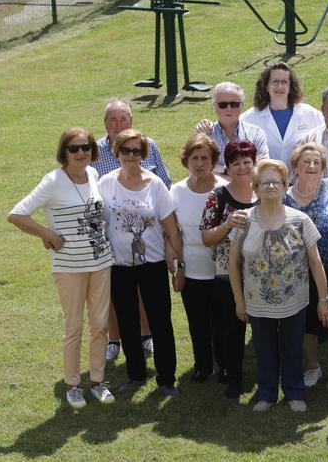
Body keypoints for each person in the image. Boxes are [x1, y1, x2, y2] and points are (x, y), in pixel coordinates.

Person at [8, 127, 116, 408]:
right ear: (64, 153)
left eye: (86, 147)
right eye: (74, 148)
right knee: (74, 327)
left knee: (100, 325)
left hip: (101, 263)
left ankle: (97, 381)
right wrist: (49, 235)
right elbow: (17, 215)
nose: (81, 152)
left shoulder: (93, 175)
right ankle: (72, 385)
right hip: (69, 267)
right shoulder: (53, 181)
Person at [229, 160, 328, 412]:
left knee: (292, 347)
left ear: (286, 185)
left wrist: (324, 299)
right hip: (257, 301)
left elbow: (315, 263)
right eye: (265, 182)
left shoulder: (301, 220)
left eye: (277, 181)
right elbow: (232, 264)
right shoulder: (244, 221)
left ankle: (294, 392)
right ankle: (266, 394)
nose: (271, 186)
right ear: (255, 188)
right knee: (264, 349)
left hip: (294, 300)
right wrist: (239, 301)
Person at [98, 129, 182, 397]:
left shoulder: (155, 184)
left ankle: (167, 378)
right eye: (126, 150)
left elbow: (171, 228)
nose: (131, 156)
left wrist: (179, 266)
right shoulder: (106, 183)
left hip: (153, 265)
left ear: (144, 154)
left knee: (160, 321)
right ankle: (135, 375)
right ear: (117, 153)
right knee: (127, 320)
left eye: (137, 151)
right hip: (119, 265)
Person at [94, 99, 170, 361]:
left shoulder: (149, 147)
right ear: (105, 124)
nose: (118, 124)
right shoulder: (95, 152)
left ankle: (146, 334)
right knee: (117, 297)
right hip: (113, 241)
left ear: (132, 120)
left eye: (123, 119)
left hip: (149, 237)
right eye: (113, 120)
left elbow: (166, 185)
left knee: (147, 295)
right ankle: (115, 340)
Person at [283, 143, 328, 390]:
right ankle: (312, 367)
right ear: (295, 166)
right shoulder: (284, 196)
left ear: (323, 167)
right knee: (306, 320)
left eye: (317, 162)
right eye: (306, 161)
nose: (312, 166)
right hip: (299, 270)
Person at [200, 140, 259, 398]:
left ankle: (268, 376)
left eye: (247, 162)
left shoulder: (267, 192)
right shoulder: (218, 196)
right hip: (227, 275)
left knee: (266, 331)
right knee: (231, 331)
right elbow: (205, 237)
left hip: (262, 275)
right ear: (228, 167)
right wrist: (226, 226)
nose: (242, 167)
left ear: (255, 164)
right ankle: (232, 376)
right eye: (236, 163)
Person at [169, 134, 228, 382]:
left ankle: (225, 365)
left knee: (223, 322)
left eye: (205, 158)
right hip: (191, 268)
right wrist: (177, 268)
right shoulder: (177, 191)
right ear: (186, 161)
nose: (200, 163)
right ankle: (202, 365)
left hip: (222, 269)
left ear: (214, 160)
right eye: (194, 158)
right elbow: (171, 235)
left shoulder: (225, 189)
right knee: (197, 322)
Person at [240, 62, 325, 167]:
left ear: (290, 87)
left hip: (301, 180)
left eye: (284, 82)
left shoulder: (311, 115)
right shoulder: (248, 118)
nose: (280, 86)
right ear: (266, 86)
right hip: (265, 180)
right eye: (275, 81)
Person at [195, 82, 269, 172]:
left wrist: (218, 169)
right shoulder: (205, 135)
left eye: (235, 104)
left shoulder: (256, 133)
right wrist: (245, 167)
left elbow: (263, 167)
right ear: (215, 107)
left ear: (242, 106)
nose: (229, 108)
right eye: (223, 105)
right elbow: (200, 167)